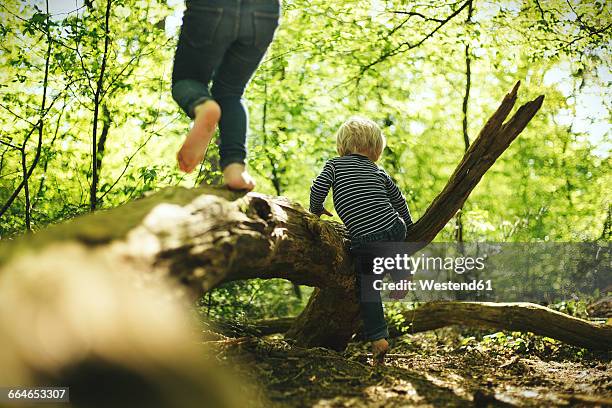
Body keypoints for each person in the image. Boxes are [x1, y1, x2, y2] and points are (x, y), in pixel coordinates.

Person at [309, 116, 413, 365]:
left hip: (365, 240)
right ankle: (401, 273)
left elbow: (318, 187)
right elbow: (398, 200)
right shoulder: (378, 171)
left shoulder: (334, 165)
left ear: (342, 146)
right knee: (395, 243)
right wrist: (408, 225)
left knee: (370, 289)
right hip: (392, 226)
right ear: (376, 150)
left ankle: (379, 337)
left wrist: (315, 210)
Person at [171, 0, 280, 190]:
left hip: (211, 8)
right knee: (231, 92)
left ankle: (203, 105)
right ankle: (235, 168)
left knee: (187, 80)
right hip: (264, 11)